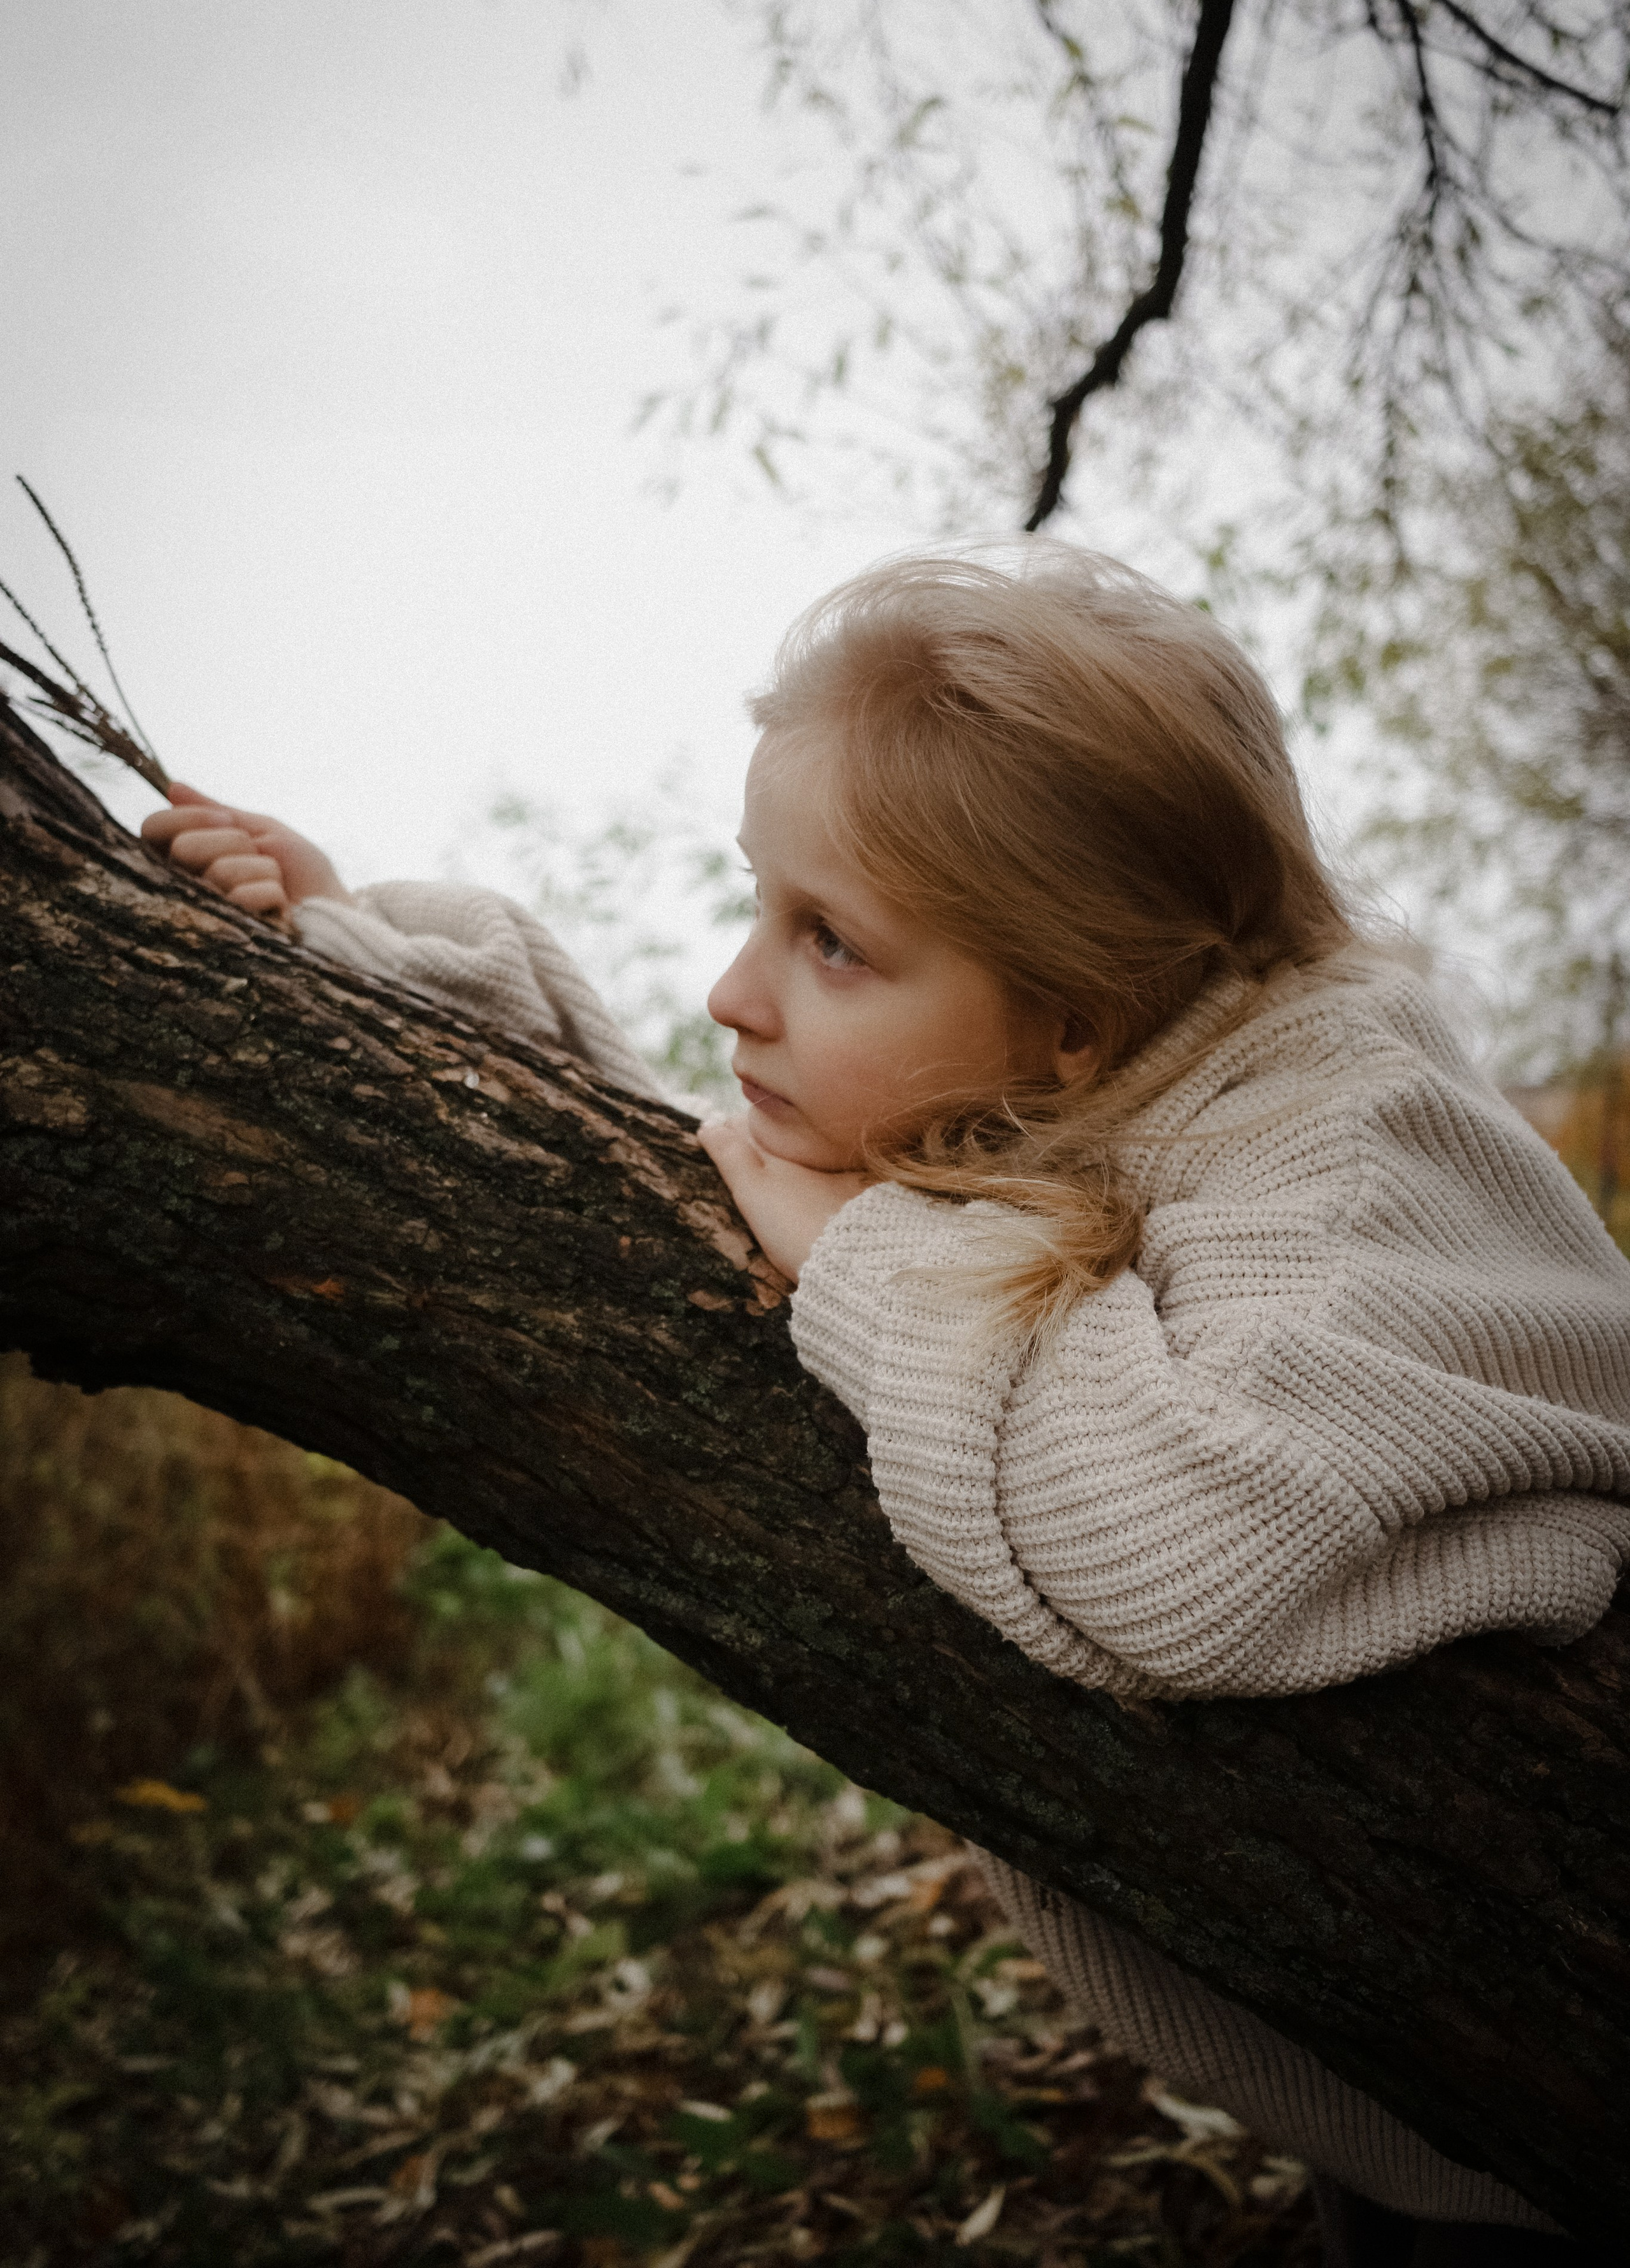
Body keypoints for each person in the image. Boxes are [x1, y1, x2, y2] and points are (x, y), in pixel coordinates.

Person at [142, 543, 1630, 2262]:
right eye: (760, 904)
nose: (731, 992)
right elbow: (711, 1194)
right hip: (1406, 2114)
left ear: (1073, 1017)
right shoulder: (1083, 1063)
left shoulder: (1340, 1140)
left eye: (828, 940)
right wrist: (365, 952)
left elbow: (1184, 1548)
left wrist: (861, 1249)